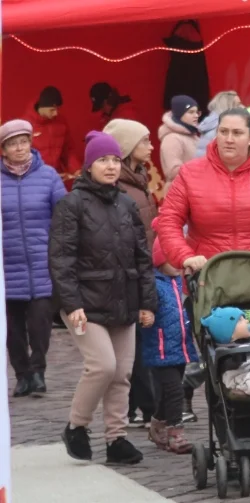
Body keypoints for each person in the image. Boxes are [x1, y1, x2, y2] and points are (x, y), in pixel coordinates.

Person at [50, 131, 157, 464]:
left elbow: (143, 257)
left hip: (123, 299)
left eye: (114, 159)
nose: (110, 166)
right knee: (102, 366)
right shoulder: (71, 205)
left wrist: (146, 303)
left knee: (122, 372)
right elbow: (61, 258)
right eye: (102, 160)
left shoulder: (126, 203)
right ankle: (77, 426)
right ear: (89, 165)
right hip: (84, 302)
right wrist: (71, 304)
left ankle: (116, 439)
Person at [156, 107, 250, 275]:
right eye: (223, 132)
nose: (229, 139)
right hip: (206, 277)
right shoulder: (190, 172)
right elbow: (168, 221)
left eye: (237, 133)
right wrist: (185, 256)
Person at [1, 119, 67, 397]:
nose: (19, 148)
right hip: (7, 265)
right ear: (3, 150)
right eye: (12, 143)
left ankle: (38, 370)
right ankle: (22, 375)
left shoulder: (49, 176)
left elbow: (63, 216)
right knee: (12, 329)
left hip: (42, 261)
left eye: (24, 141)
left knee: (40, 323)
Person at [103, 118, 159, 428]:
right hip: (131, 273)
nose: (150, 146)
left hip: (145, 268)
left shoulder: (138, 178)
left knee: (142, 339)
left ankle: (143, 403)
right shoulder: (121, 187)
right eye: (144, 141)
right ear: (127, 147)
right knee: (133, 343)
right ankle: (142, 405)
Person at [142, 231, 198, 454]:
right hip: (161, 348)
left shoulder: (180, 282)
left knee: (167, 394)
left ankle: (157, 425)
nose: (177, 265)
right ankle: (176, 434)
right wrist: (146, 315)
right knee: (176, 391)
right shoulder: (153, 284)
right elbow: (145, 306)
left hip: (181, 347)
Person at [23, 86, 79, 190]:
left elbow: (68, 150)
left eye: (57, 109)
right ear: (42, 106)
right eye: (52, 110)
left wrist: (75, 169)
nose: (56, 113)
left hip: (57, 179)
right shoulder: (26, 125)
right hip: (34, 182)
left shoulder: (61, 122)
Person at [159, 95, 200, 193]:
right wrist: (202, 168)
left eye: (197, 112)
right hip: (179, 194)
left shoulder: (193, 136)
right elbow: (173, 171)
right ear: (180, 114)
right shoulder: (172, 138)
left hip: (195, 191)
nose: (196, 115)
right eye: (191, 112)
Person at [197, 91, 241, 159]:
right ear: (229, 106)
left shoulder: (212, 124)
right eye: (238, 105)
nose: (242, 107)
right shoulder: (221, 127)